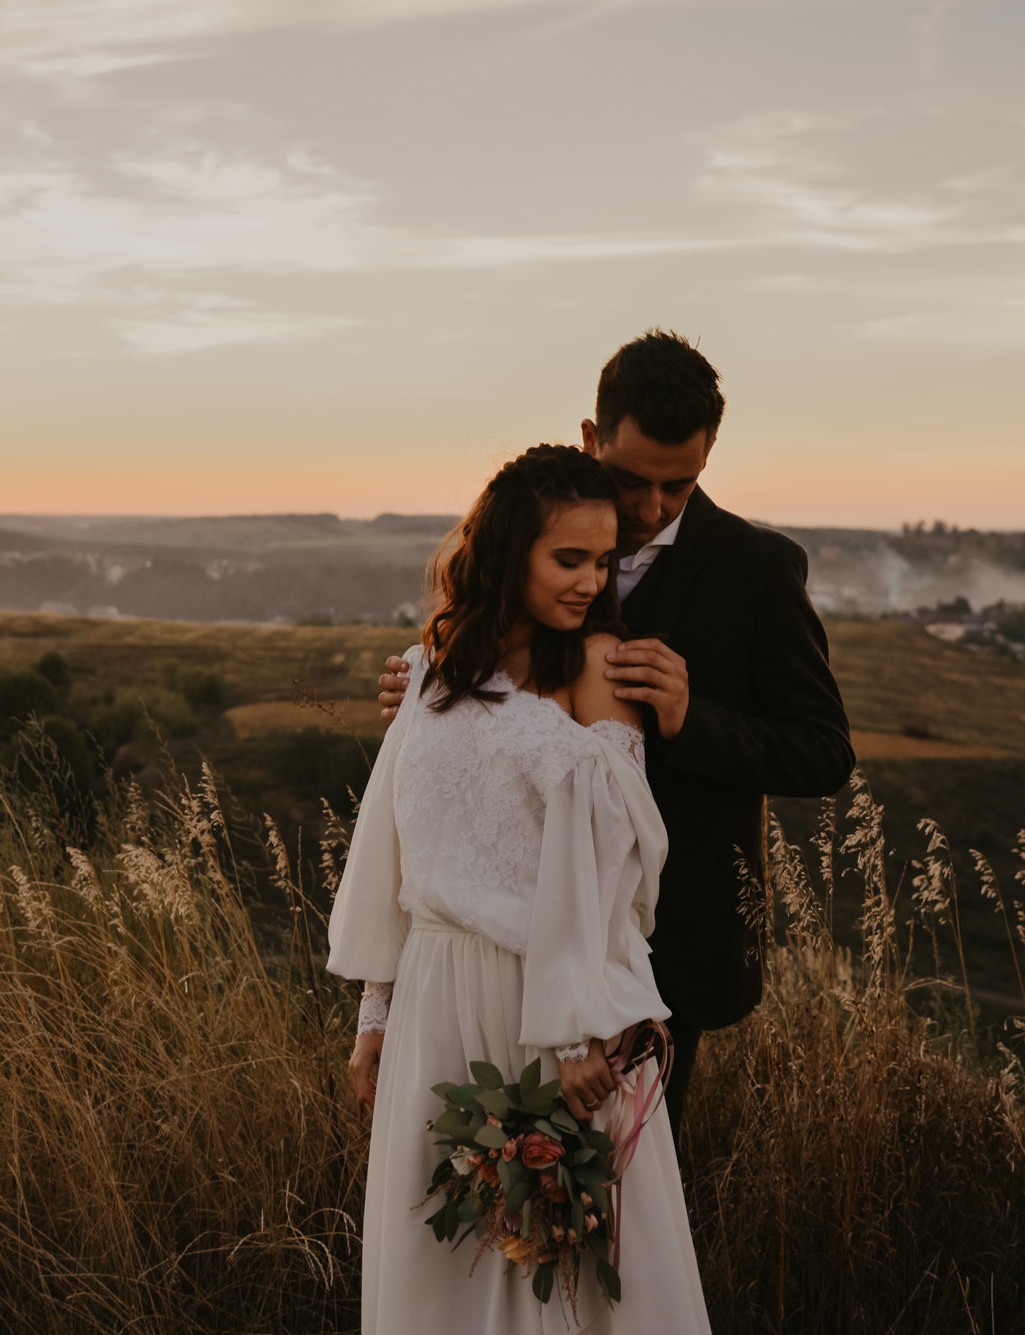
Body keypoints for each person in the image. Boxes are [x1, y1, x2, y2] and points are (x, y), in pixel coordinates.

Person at [378, 331, 855, 1130]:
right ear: (592, 438)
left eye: (681, 485)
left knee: (626, 1191)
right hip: (511, 943)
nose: (651, 507)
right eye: (633, 479)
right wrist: (427, 701)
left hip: (673, 942)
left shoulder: (760, 569)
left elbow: (823, 751)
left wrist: (689, 718)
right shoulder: (535, 534)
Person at [329, 444, 711, 1334]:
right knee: (441, 1265)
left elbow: (610, 869)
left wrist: (581, 1022)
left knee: (557, 1271)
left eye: (603, 560)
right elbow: (399, 851)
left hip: (546, 1001)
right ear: (508, 552)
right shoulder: (427, 668)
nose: (589, 581)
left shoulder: (596, 664)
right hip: (433, 1000)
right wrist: (375, 1012)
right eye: (566, 558)